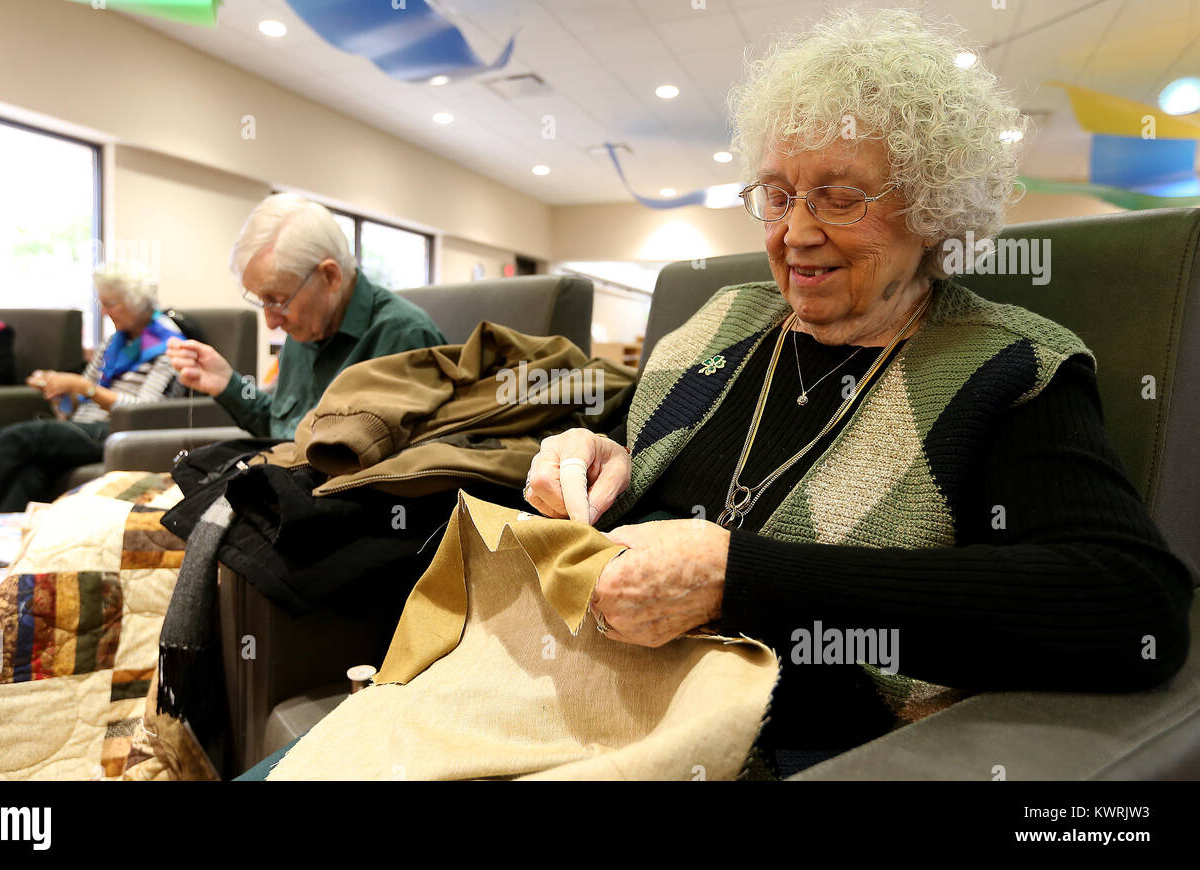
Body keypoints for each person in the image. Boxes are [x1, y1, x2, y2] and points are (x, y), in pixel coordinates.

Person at [523, 9, 1192, 778]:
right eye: (776, 195)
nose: (794, 233)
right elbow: (617, 453)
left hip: (781, 751)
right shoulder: (719, 326)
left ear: (932, 210)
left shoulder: (1008, 367)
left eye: (840, 198)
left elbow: (1130, 605)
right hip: (578, 703)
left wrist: (737, 577)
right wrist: (585, 450)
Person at [167, 193, 446, 439]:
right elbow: (280, 426)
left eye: (277, 301)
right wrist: (229, 384)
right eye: (261, 301)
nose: (271, 321)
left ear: (330, 276)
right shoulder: (306, 329)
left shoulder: (404, 337)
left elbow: (401, 474)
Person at [0, 266, 185, 513]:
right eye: (102, 303)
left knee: (17, 437)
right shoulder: (115, 342)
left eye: (112, 304)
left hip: (121, 430)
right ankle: (2, 539)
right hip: (87, 425)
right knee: (32, 470)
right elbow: (83, 398)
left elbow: (146, 412)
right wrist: (60, 389)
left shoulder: (169, 345)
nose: (104, 312)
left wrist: (82, 386)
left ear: (137, 303)